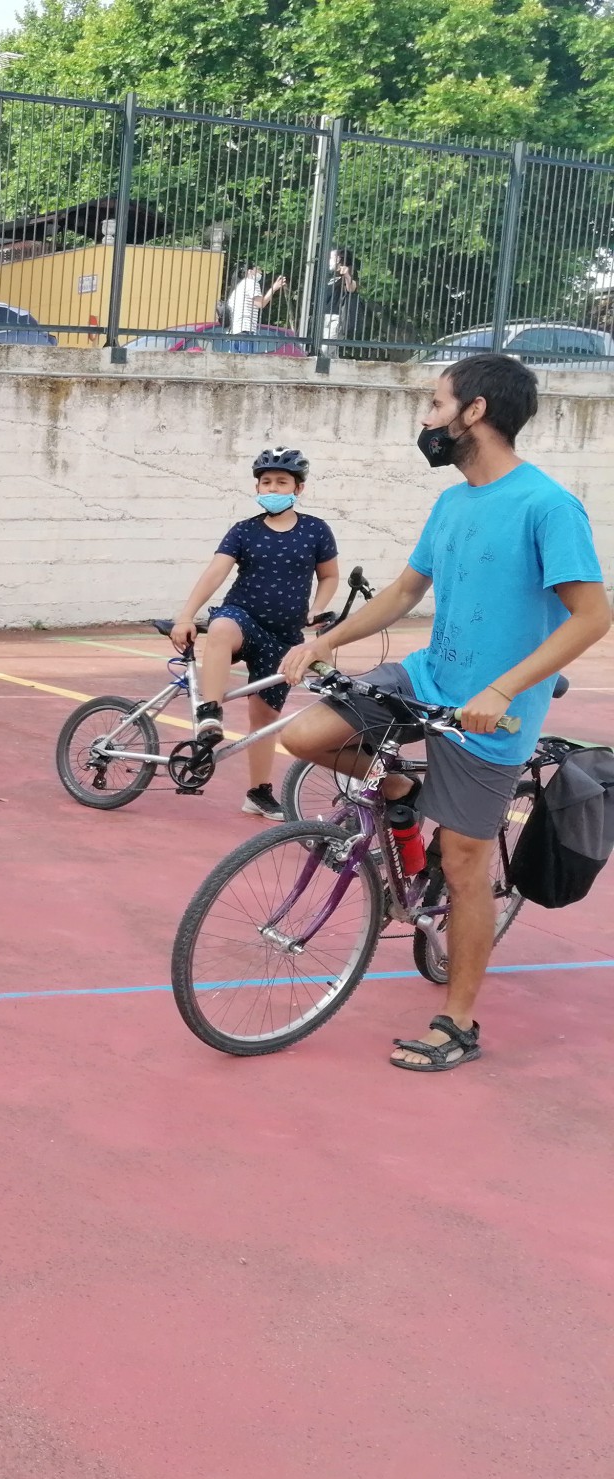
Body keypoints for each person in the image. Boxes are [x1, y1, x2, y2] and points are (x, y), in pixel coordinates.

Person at [280, 353, 609, 1072]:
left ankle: (457, 1022)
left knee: (463, 865)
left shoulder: (547, 505)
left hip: (493, 712)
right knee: (308, 735)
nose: (426, 419)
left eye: (435, 405)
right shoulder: (454, 502)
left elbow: (591, 617)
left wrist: (500, 691)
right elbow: (403, 593)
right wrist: (324, 641)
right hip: (427, 674)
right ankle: (401, 791)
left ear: (476, 411)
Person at [170, 446, 340, 819]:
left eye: (282, 481)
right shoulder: (244, 530)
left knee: (264, 719)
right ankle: (210, 714)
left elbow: (329, 576)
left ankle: (258, 792)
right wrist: (186, 615)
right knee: (221, 627)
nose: (273, 487)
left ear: (299, 488)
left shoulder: (315, 530)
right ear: (257, 486)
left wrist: (317, 608)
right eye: (267, 481)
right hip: (243, 617)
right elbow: (215, 572)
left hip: (284, 636)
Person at [226, 263, 286, 335]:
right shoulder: (251, 283)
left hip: (235, 330)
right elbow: (261, 304)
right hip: (245, 329)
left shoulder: (238, 286)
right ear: (249, 271)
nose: (260, 272)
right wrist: (274, 288)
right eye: (257, 269)